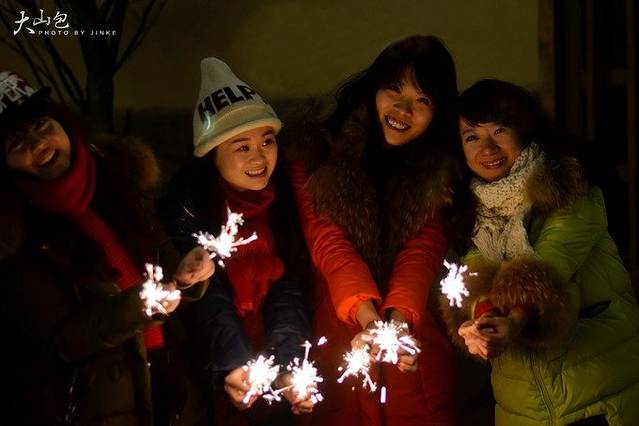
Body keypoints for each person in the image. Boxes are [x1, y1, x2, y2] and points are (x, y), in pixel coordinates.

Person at [0, 71, 214, 425]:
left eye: (41, 125)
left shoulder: (116, 177)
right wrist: (139, 308)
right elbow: (63, 339)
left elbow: (158, 248)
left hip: (172, 376)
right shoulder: (14, 236)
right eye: (15, 142)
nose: (38, 143)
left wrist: (185, 269)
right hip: (104, 403)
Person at [281, 35, 460, 426]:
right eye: (394, 89)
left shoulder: (440, 174)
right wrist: (367, 320)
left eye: (422, 100)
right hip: (340, 337)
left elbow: (423, 250)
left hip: (413, 348)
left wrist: (396, 324)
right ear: (373, 88)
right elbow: (327, 241)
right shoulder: (316, 155)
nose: (403, 109)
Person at [442, 79, 639, 425]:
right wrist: (482, 321)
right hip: (523, 406)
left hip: (596, 395)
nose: (487, 148)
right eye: (472, 137)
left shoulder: (568, 189)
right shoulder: (476, 213)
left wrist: (514, 320)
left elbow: (550, 267)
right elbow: (476, 282)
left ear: (523, 129)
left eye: (499, 131)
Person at [157, 58, 312, 425]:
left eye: (267, 141)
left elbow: (288, 286)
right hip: (207, 375)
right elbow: (207, 300)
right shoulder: (188, 211)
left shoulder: (285, 201)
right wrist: (232, 363)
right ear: (212, 155)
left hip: (273, 359)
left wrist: (289, 366)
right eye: (242, 147)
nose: (259, 156)